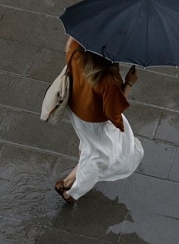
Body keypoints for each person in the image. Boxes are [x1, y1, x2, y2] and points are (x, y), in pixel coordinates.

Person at [54, 37, 144, 203]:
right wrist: (129, 83)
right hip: (95, 122)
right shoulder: (108, 79)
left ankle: (67, 181)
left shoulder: (76, 51)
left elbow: (68, 45)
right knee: (99, 158)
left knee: (89, 146)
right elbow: (113, 111)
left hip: (76, 111)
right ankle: (71, 193)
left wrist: (77, 35)